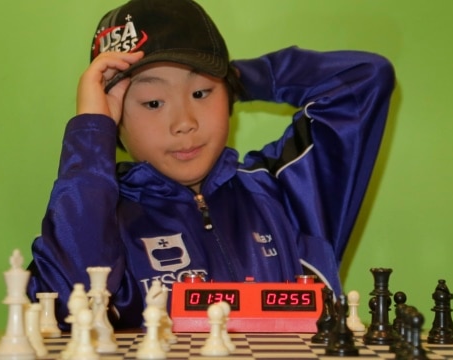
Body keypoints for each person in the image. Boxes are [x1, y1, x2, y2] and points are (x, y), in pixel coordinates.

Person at [27, 0, 395, 329]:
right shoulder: (101, 216)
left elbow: (363, 79)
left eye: (201, 92)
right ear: (116, 117)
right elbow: (62, 310)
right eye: (154, 102)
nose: (184, 122)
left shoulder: (286, 193)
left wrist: (237, 78)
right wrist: (92, 132)